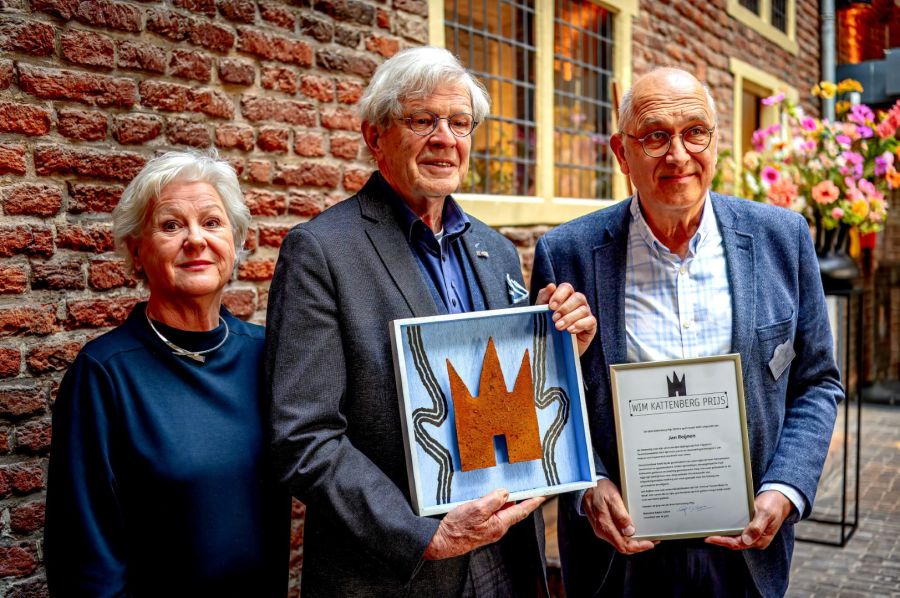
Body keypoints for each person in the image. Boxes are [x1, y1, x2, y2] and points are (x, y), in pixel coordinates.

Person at [266, 46, 596, 597]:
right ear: (375, 137)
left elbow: (500, 398)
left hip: (506, 560)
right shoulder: (321, 251)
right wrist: (425, 536)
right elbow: (304, 438)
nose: (445, 138)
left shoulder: (494, 248)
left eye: (460, 123)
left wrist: (560, 352)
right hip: (400, 571)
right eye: (422, 120)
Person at [530, 68, 844, 597]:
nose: (678, 154)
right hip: (618, 555)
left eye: (695, 132)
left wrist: (786, 487)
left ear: (715, 142)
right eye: (655, 136)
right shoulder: (567, 254)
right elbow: (544, 397)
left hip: (745, 551)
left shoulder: (783, 238)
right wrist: (588, 483)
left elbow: (816, 382)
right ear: (622, 153)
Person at [45, 150, 290, 596]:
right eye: (171, 225)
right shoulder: (104, 375)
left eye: (212, 222)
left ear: (234, 243)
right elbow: (83, 557)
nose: (196, 239)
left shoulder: (267, 355)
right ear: (137, 252)